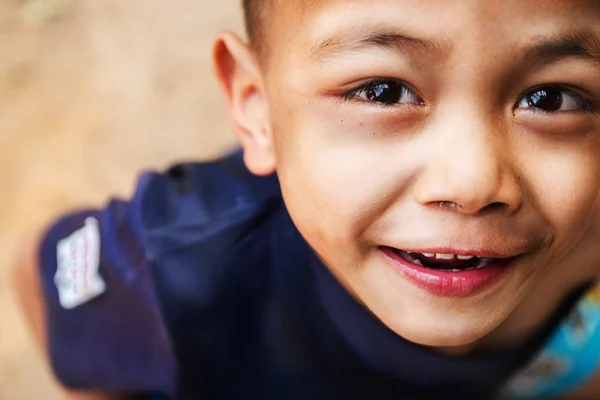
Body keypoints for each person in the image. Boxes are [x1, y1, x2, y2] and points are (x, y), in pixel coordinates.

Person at [11, 0, 600, 399]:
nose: (473, 184)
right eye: (383, 90)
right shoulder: (183, 263)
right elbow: (35, 275)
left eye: (552, 99)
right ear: (256, 107)